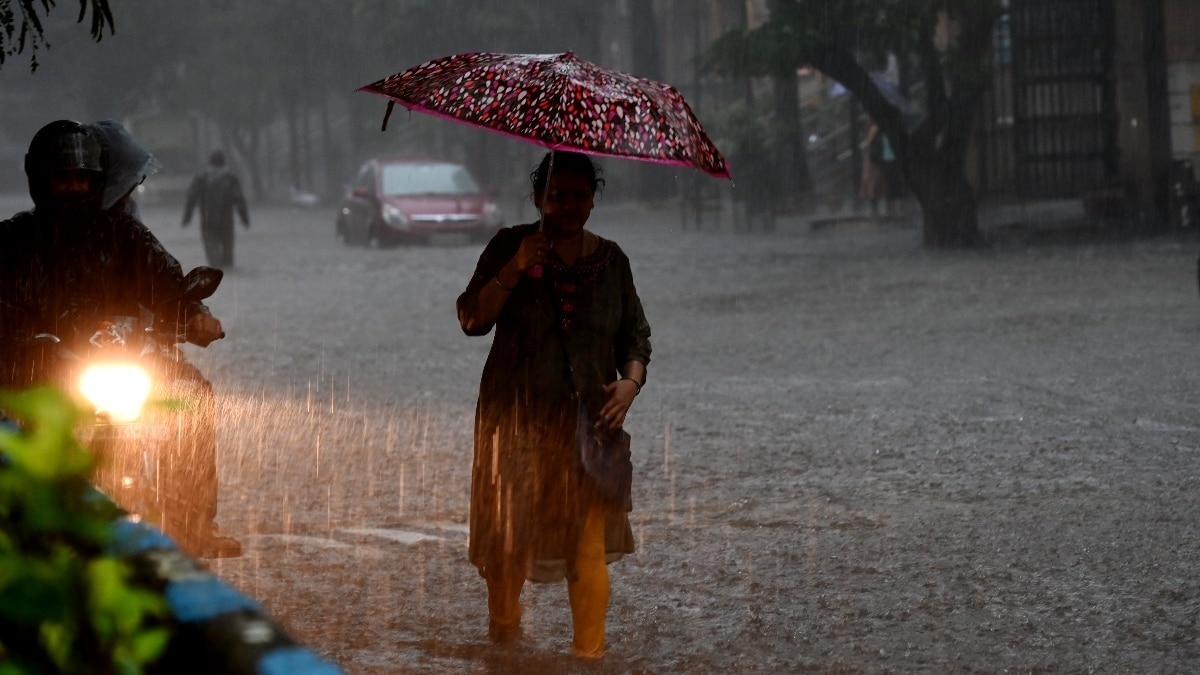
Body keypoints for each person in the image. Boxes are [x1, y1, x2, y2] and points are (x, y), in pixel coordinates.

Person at [0, 120, 240, 558]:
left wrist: (194, 311)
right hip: (35, 370)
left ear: (96, 181)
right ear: (40, 181)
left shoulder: (125, 235)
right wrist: (29, 340)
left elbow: (166, 280)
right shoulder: (12, 240)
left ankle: (190, 525)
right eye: (62, 177)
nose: (73, 187)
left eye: (82, 178)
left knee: (192, 396)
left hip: (119, 360)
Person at [456, 150, 652, 658]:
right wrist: (517, 267)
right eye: (556, 195)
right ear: (539, 196)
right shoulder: (509, 245)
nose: (566, 206)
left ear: (593, 201)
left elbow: (635, 338)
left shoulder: (612, 262)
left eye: (578, 197)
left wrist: (629, 384)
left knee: (586, 540)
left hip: (588, 422)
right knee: (508, 538)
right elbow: (471, 319)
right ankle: (504, 639)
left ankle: (589, 657)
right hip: (513, 419)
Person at [182, 149, 249, 269]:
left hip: (208, 216)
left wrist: (187, 217)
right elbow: (239, 198)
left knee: (210, 242)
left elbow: (191, 197)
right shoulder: (230, 176)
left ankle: (216, 267)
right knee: (227, 243)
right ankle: (227, 266)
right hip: (226, 217)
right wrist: (244, 218)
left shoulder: (201, 176)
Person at [861, 123, 887, 217]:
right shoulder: (875, 128)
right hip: (874, 161)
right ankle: (875, 210)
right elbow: (871, 142)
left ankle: (876, 210)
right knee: (874, 184)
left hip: (876, 160)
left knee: (876, 185)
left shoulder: (877, 129)